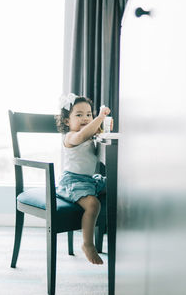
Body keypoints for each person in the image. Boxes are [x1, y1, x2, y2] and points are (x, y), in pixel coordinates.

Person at [55, 93, 111, 265]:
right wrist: (100, 117)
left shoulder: (89, 133)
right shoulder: (70, 136)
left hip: (88, 180)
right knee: (93, 204)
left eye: (88, 115)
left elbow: (91, 134)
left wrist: (103, 127)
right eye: (79, 115)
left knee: (117, 184)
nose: (86, 119)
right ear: (67, 122)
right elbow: (81, 136)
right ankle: (88, 244)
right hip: (72, 181)